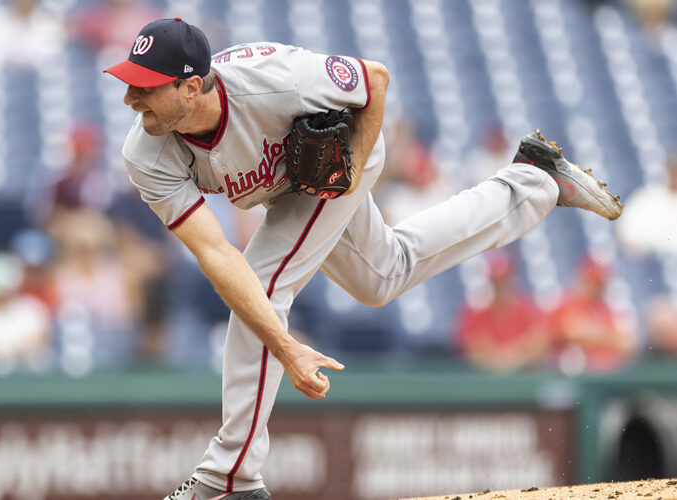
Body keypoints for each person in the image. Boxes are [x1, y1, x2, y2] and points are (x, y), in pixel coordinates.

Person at [103, 18, 623, 499]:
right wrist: (285, 346)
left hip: (342, 155)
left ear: (191, 88)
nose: (129, 97)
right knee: (382, 275)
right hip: (288, 185)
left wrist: (349, 168)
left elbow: (374, 80)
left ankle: (228, 479)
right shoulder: (146, 152)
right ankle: (534, 180)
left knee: (260, 288)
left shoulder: (276, 80)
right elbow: (216, 253)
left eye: (144, 86)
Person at [456, 249, 550, 373]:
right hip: (487, 382)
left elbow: (539, 343)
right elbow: (474, 349)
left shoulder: (528, 310)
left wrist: (511, 359)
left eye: (504, 281)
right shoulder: (476, 314)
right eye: (497, 283)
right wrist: (504, 359)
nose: (501, 287)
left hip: (523, 377)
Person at [549, 255, 637, 374]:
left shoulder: (606, 309)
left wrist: (595, 334)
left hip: (605, 373)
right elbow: (572, 332)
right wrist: (607, 336)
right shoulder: (567, 303)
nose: (596, 288)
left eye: (600, 284)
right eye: (592, 281)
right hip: (573, 373)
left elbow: (627, 343)